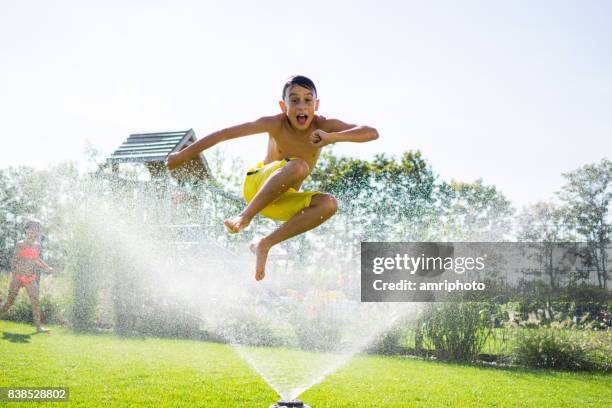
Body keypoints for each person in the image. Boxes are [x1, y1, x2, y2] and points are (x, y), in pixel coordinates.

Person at [167, 75, 378, 280]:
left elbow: (371, 132)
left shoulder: (325, 125)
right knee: (299, 165)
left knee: (329, 204)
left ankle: (265, 243)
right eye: (294, 100)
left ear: (317, 104)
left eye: (307, 100)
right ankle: (245, 216)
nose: (301, 106)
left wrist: (332, 137)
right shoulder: (274, 123)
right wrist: (184, 155)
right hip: (256, 187)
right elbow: (224, 133)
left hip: (280, 201)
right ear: (282, 105)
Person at [0, 220, 54, 333]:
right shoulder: (20, 244)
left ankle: (39, 328)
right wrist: (16, 274)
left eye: (37, 230)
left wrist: (46, 267)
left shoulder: (37, 246)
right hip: (18, 277)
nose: (35, 232)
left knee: (35, 302)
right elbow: (14, 261)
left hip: (30, 278)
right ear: (27, 231)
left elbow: (36, 259)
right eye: (33, 229)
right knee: (9, 302)